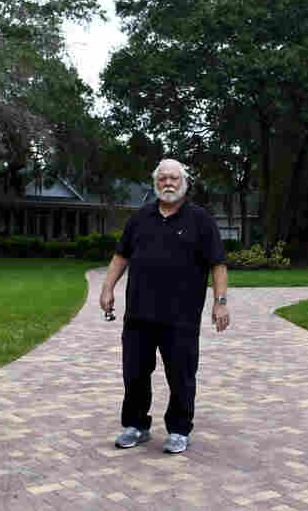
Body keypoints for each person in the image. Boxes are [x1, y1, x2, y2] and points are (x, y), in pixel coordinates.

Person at [99, 158, 230, 454]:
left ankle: (179, 429)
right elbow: (121, 257)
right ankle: (135, 426)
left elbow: (218, 264)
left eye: (173, 178)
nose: (167, 183)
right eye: (162, 179)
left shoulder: (201, 220)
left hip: (181, 317)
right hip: (138, 315)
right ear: (155, 183)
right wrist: (107, 288)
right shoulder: (139, 219)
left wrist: (220, 303)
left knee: (181, 375)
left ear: (184, 183)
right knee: (134, 372)